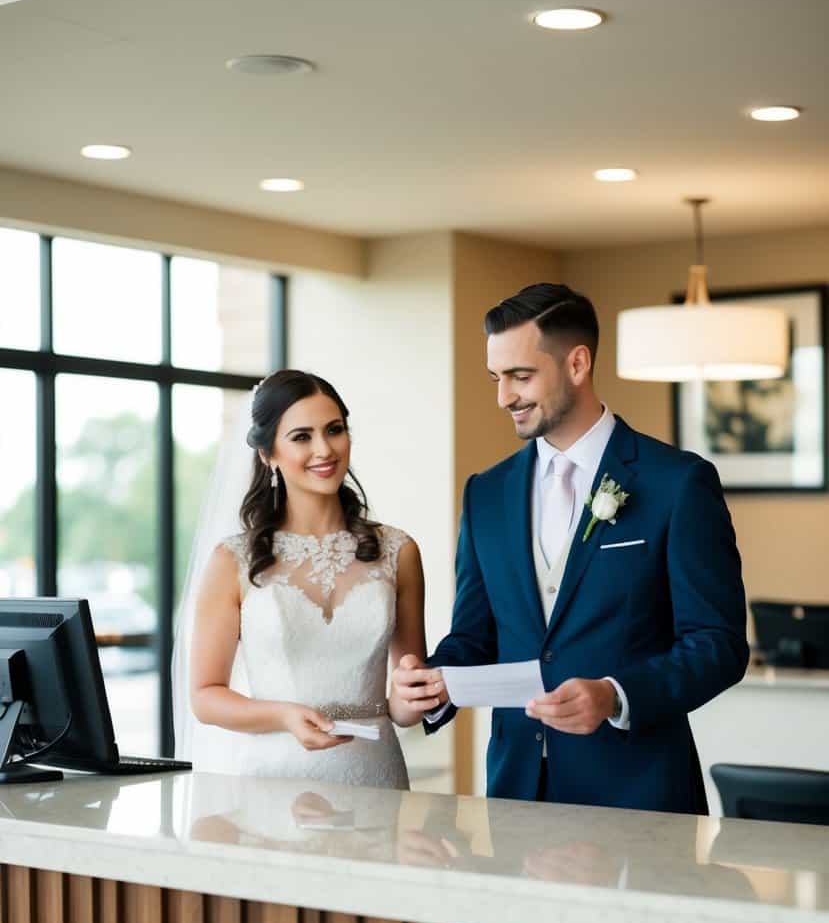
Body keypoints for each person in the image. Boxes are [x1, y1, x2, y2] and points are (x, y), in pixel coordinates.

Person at [392, 283, 749, 813]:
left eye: (521, 375)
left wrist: (614, 694)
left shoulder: (678, 483)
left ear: (578, 364)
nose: (503, 396)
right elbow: (475, 637)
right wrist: (427, 685)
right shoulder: (485, 494)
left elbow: (718, 645)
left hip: (639, 794)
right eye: (497, 378)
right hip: (516, 796)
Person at [173, 369, 431, 789]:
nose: (324, 449)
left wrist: (416, 694)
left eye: (334, 430)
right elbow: (205, 696)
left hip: (375, 775)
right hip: (275, 778)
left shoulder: (398, 551)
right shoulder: (232, 560)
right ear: (267, 454)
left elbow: (405, 706)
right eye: (301, 437)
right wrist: (283, 715)